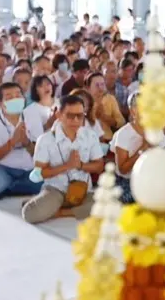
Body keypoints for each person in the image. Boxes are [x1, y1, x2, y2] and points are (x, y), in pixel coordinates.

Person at [21, 94, 105, 223]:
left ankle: (60, 212)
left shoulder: (90, 135)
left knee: (107, 207)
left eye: (80, 116)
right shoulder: (45, 139)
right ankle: (57, 205)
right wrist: (67, 165)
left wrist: (81, 165)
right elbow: (40, 173)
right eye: (70, 116)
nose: (76, 120)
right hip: (56, 189)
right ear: (59, 115)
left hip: (82, 190)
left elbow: (99, 166)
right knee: (30, 214)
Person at [111, 93, 162, 203]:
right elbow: (123, 170)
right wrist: (143, 149)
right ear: (133, 111)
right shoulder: (123, 134)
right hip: (128, 180)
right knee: (133, 197)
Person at [86, 72, 125, 141]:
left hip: (107, 139)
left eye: (102, 84)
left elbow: (121, 122)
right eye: (97, 85)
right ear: (88, 88)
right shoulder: (84, 101)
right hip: (88, 140)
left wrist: (104, 117)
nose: (100, 88)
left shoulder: (110, 99)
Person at [24, 75, 58, 142]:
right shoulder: (30, 111)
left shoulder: (63, 103)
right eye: (41, 86)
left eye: (48, 84)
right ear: (35, 90)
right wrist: (48, 124)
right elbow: (35, 137)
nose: (46, 87)